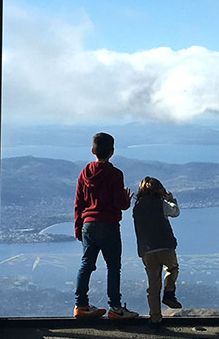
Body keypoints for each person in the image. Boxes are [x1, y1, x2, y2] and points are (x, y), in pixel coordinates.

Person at [72, 132, 139, 319]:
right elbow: (120, 203)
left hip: (88, 225)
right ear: (112, 152)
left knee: (86, 264)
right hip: (108, 225)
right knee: (113, 267)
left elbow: (79, 203)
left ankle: (81, 305)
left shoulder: (84, 173)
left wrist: (78, 227)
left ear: (92, 151)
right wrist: (126, 200)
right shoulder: (115, 174)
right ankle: (116, 308)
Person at [131, 176, 183, 330]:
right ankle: (169, 292)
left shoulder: (137, 207)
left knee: (153, 287)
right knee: (172, 268)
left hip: (147, 251)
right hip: (165, 247)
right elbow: (175, 212)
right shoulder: (162, 204)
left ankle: (155, 319)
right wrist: (171, 198)